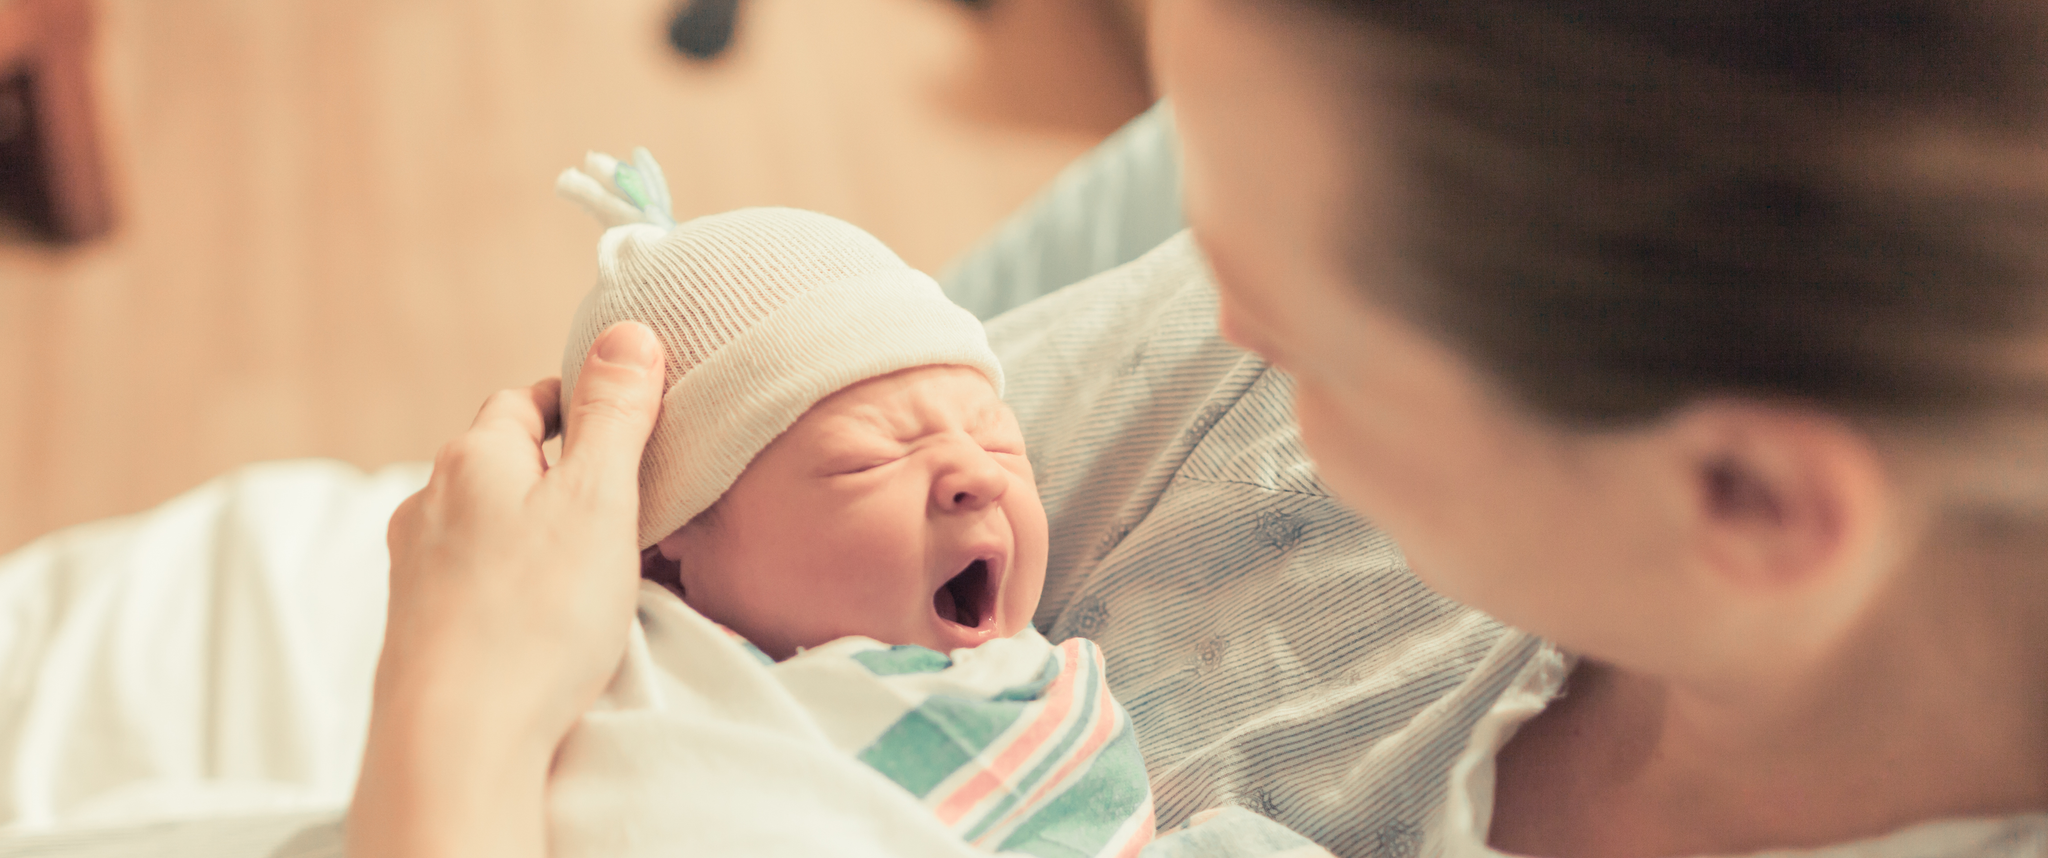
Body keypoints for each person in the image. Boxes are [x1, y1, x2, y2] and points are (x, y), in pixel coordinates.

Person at [352, 0, 2048, 856]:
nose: (1211, 318)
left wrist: (448, 744)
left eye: (1301, 336)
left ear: (1742, 499)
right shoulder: (1364, 134)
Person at [494, 156, 1156, 858]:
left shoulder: (1035, 703)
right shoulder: (618, 672)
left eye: (998, 440)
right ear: (667, 562)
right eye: (872, 459)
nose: (976, 476)